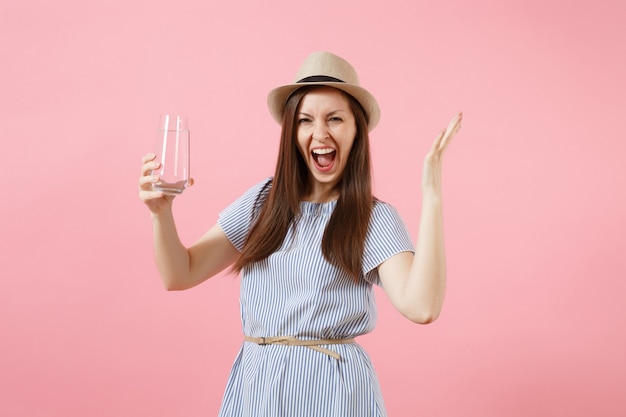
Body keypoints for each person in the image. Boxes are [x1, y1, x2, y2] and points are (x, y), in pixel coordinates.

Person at [138, 51, 462, 416]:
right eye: (305, 120)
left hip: (334, 395)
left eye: (335, 119)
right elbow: (179, 273)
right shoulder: (263, 201)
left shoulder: (372, 218)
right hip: (257, 389)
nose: (319, 133)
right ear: (292, 132)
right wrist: (160, 214)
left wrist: (432, 195)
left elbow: (422, 307)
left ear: (357, 129)